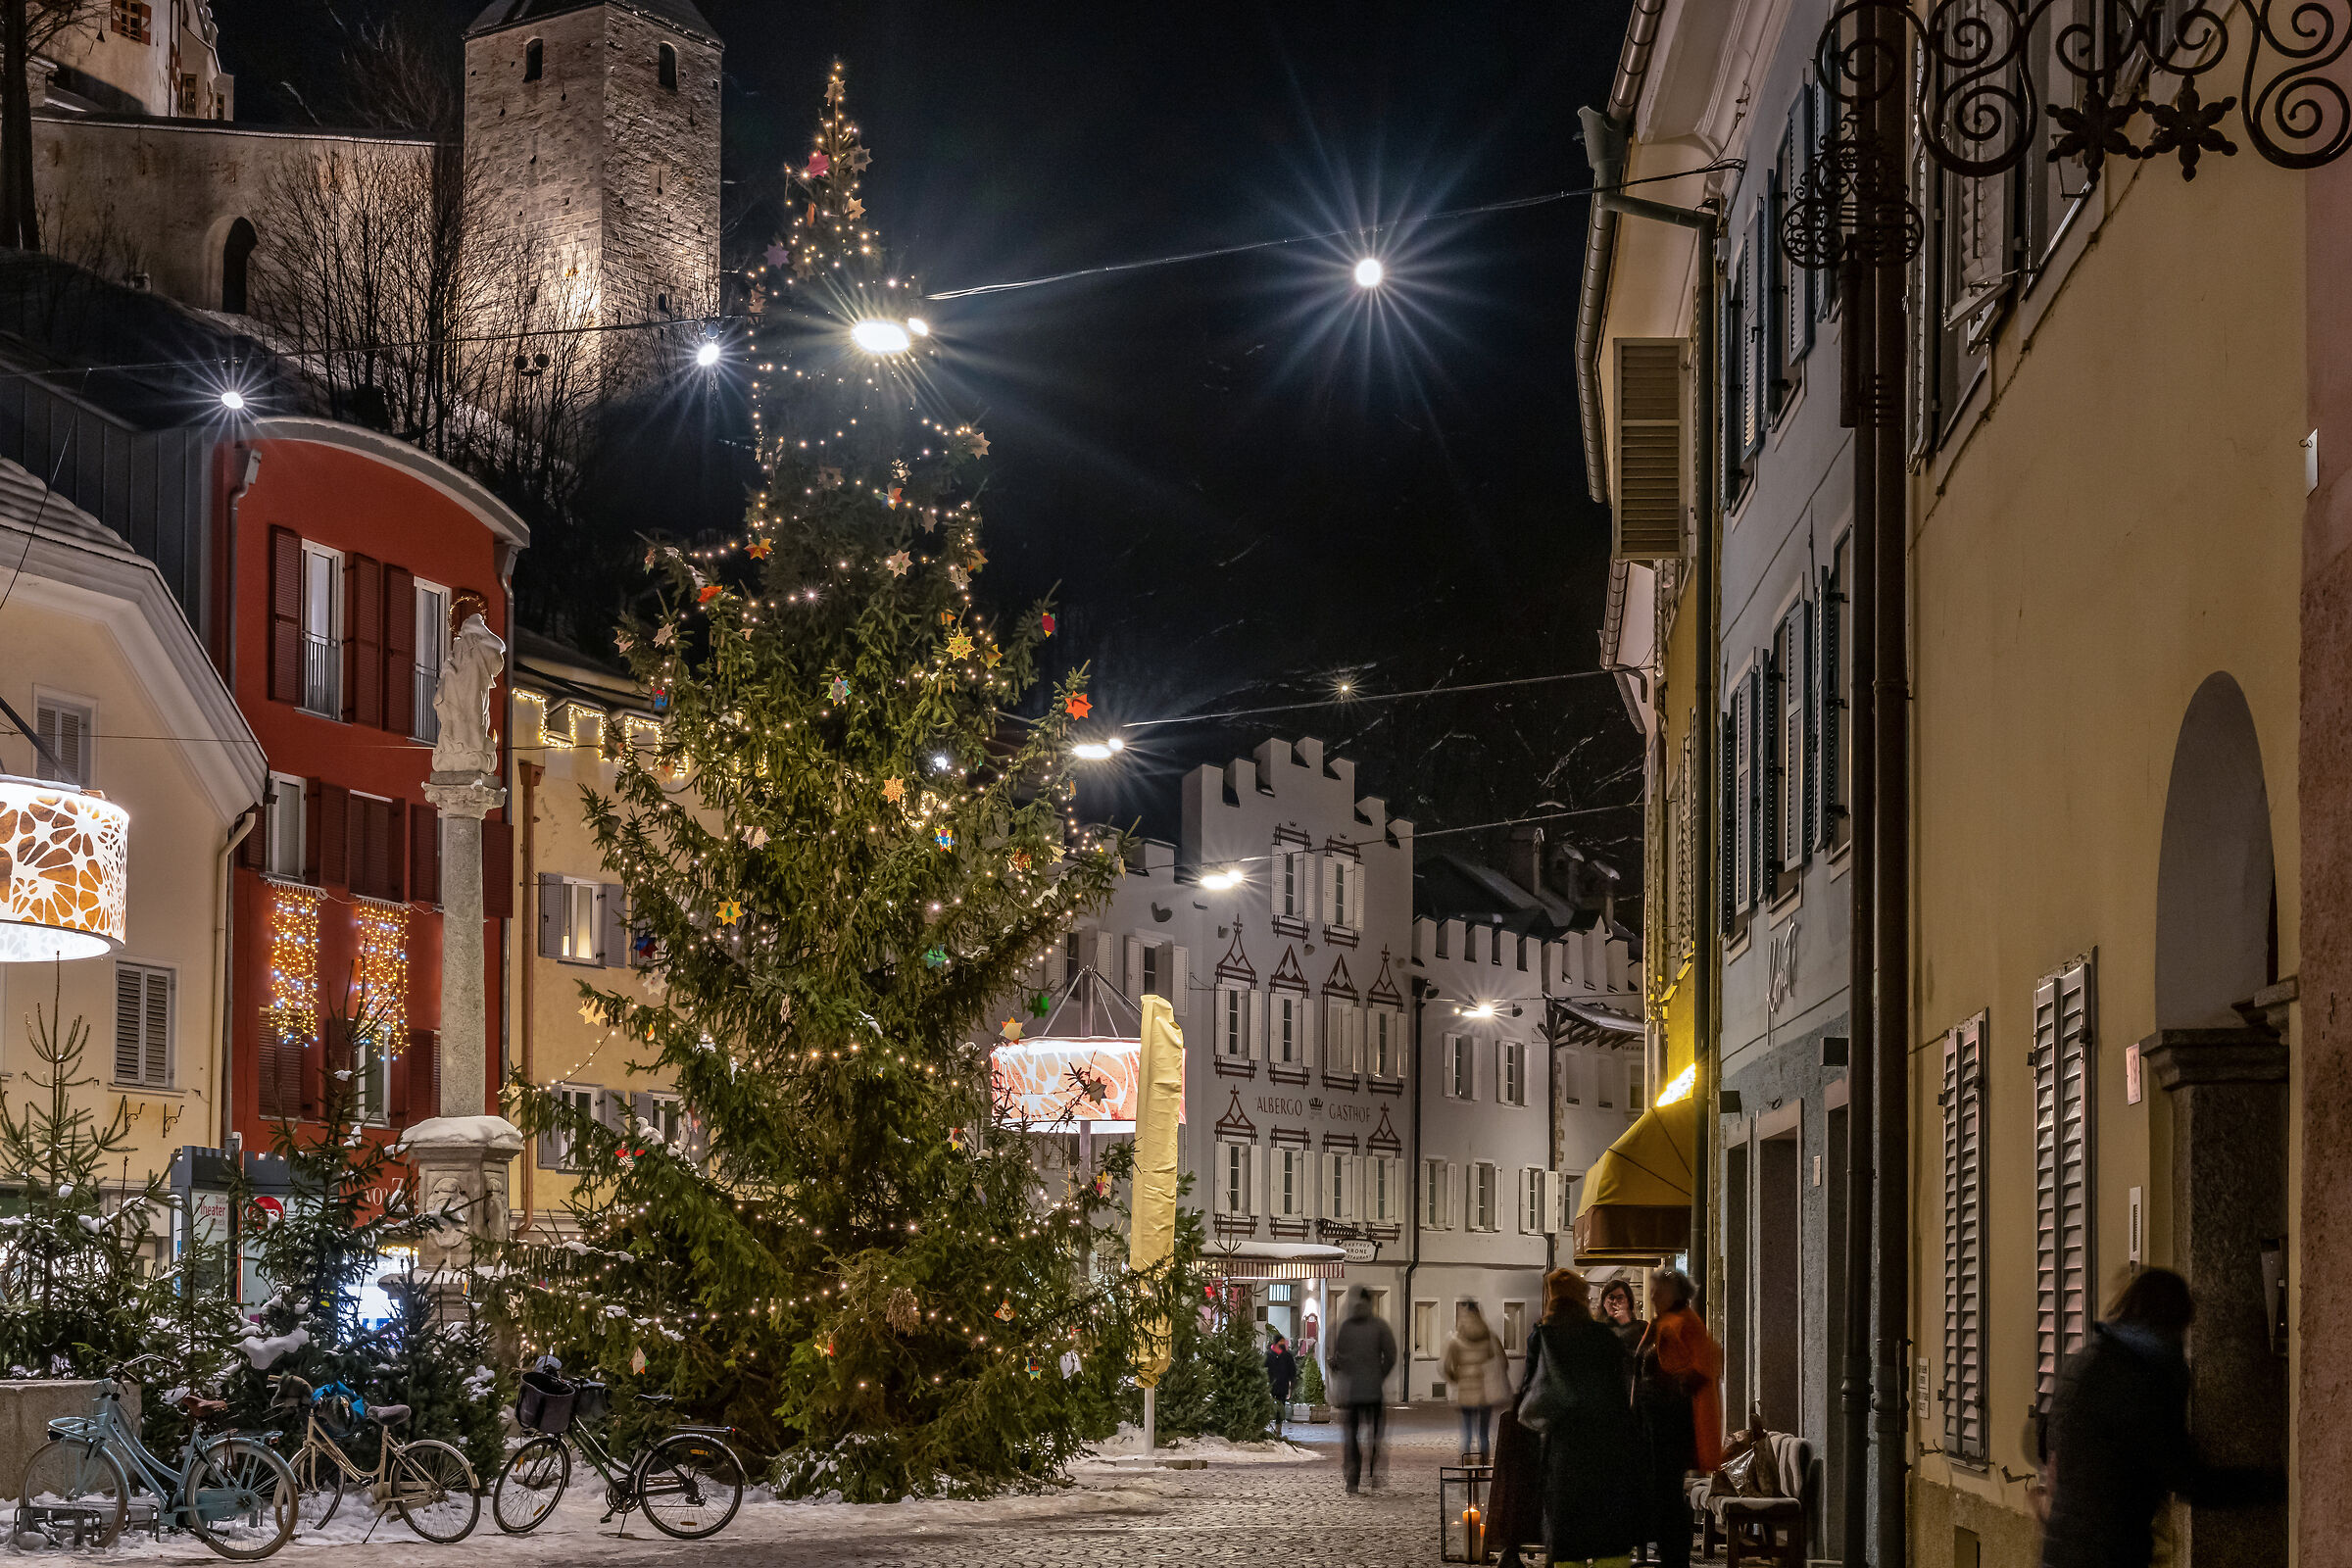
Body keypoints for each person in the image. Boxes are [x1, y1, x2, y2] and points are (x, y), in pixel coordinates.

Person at [2037, 1267, 2284, 1568]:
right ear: (2176, 1319)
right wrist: (2271, 1485)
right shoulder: (2142, 1378)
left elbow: (2047, 1439)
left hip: (2063, 1547)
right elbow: (2183, 1475)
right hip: (2107, 1553)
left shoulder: (2086, 1360)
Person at [1521, 1267, 1642, 1567]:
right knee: (1609, 1537)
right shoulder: (1604, 1336)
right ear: (1582, 1298)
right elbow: (1623, 1386)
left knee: (1568, 1539)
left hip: (1566, 1448)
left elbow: (1529, 1391)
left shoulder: (1544, 1336)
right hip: (1608, 1446)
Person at [1636, 1269, 1722, 1568]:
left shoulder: (1685, 1321)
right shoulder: (1662, 1320)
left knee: (1667, 1494)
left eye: (1660, 1290)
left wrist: (1671, 1388)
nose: (1653, 1294)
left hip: (1671, 1424)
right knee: (1661, 1492)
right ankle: (1668, 1552)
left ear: (1676, 1292)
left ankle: (1675, 1557)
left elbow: (1706, 1363)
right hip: (1655, 1422)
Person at [1328, 1286, 1397, 1494]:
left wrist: (1345, 1372)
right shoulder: (1380, 1326)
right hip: (1374, 1391)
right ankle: (1374, 1471)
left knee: (1351, 1436)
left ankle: (1353, 1477)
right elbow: (1392, 1356)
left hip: (1352, 1392)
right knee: (1375, 1435)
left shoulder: (1347, 1327)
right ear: (1371, 1302)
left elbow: (1339, 1357)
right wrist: (1379, 1374)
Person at [1442, 1301, 1506, 1463]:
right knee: (1483, 1432)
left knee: (1467, 1432)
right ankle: (1483, 1465)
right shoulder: (1489, 1336)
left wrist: (1456, 1378)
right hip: (1485, 1391)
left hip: (1465, 1391)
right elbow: (1503, 1362)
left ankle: (1466, 1464)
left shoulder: (1455, 1339)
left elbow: (1446, 1366)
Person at [1598, 1278, 1646, 1358]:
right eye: (1611, 1297)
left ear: (1629, 1302)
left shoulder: (1642, 1327)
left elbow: (1641, 1356)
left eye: (1620, 1298)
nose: (1615, 1302)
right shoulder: (1597, 1330)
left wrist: (1627, 1325)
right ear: (1604, 1302)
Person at [1263, 1333, 1297, 1434]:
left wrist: (1292, 1383)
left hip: (1282, 1385)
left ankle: (1278, 1428)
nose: (1283, 1343)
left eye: (1284, 1341)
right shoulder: (1268, 1355)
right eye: (1281, 1341)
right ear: (1276, 1342)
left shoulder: (1287, 1356)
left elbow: (1292, 1371)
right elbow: (1263, 1368)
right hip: (1270, 1386)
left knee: (1280, 1407)